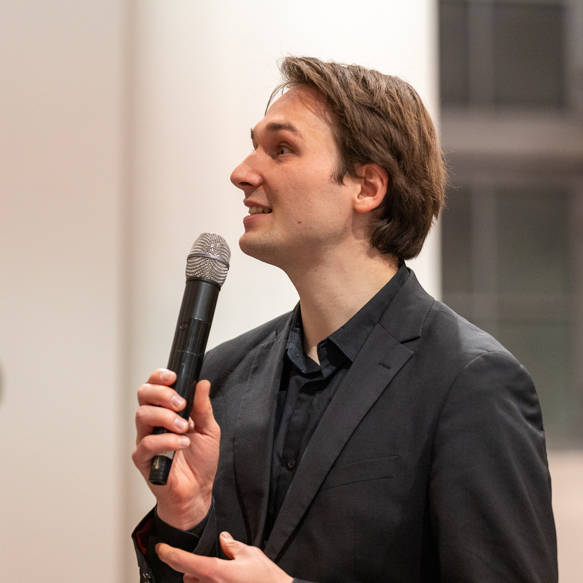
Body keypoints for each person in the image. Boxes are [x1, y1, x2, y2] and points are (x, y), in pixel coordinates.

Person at [132, 56, 557, 583]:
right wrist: (186, 516)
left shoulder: (471, 382)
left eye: (281, 149)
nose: (242, 173)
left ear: (367, 187)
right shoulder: (222, 376)